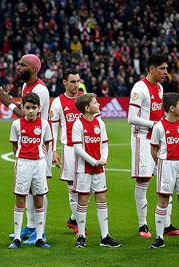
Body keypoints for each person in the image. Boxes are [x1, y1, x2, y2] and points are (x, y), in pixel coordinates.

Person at [0, 54, 51, 244]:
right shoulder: (27, 86)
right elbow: (24, 111)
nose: (17, 67)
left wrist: (8, 103)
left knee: (39, 191)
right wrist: (13, 102)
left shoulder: (40, 90)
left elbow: (30, 118)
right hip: (27, 151)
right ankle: (31, 226)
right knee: (27, 190)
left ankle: (39, 232)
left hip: (39, 147)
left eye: (22, 65)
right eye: (18, 64)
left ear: (34, 69)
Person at [128, 53, 179, 238]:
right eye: (162, 68)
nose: (166, 72)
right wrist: (154, 124)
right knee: (143, 182)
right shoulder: (139, 88)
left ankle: (167, 225)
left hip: (158, 140)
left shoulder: (159, 88)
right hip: (142, 139)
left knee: (166, 181)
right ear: (152, 69)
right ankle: (142, 225)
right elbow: (131, 118)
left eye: (166, 68)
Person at [72, 93, 121, 248]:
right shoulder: (77, 124)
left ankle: (105, 236)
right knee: (83, 201)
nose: (98, 104)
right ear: (87, 108)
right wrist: (95, 162)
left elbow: (104, 144)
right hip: (83, 169)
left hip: (99, 169)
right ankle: (81, 236)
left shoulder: (100, 123)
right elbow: (78, 149)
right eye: (95, 102)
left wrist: (103, 159)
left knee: (101, 199)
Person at [149, 93, 179, 249]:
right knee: (163, 200)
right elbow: (153, 149)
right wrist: (161, 165)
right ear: (171, 108)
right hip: (166, 165)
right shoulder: (159, 127)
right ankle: (159, 238)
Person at [8, 92, 52, 249]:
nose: (31, 111)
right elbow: (14, 145)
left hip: (39, 165)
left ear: (39, 108)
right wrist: (23, 156)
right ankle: (17, 238)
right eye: (27, 108)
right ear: (23, 108)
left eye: (34, 108)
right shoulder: (16, 125)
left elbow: (47, 143)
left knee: (39, 199)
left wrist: (40, 157)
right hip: (23, 164)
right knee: (20, 199)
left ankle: (40, 237)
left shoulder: (45, 124)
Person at [50, 69, 87, 235]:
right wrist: (53, 150)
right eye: (72, 81)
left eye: (78, 81)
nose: (76, 85)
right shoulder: (58, 102)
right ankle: (79, 224)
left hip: (87, 149)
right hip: (70, 149)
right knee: (73, 187)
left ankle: (73, 218)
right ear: (64, 82)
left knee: (88, 188)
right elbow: (53, 128)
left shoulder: (85, 99)